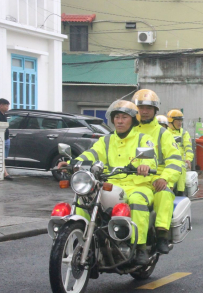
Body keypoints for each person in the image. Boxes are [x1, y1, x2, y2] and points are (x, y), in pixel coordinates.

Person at [58, 101, 157, 265]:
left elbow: (150, 159)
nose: (119, 121)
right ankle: (80, 236)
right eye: (117, 117)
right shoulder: (106, 140)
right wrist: (72, 163)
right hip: (110, 184)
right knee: (85, 198)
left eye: (124, 117)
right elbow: (91, 154)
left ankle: (140, 247)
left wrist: (146, 166)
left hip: (137, 185)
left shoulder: (143, 139)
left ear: (132, 119)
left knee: (137, 201)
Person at [132, 89, 183, 254]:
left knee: (163, 193)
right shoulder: (128, 129)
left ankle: (162, 235)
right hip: (129, 178)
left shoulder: (163, 133)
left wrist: (165, 178)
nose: (144, 111)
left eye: (148, 108)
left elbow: (175, 160)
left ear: (155, 110)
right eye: (141, 108)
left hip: (157, 177)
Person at [166, 109, 194, 195]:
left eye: (181, 120)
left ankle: (180, 192)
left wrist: (188, 159)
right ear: (171, 121)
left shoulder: (184, 133)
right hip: (166, 161)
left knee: (181, 169)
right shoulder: (164, 132)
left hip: (180, 161)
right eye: (177, 120)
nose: (180, 123)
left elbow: (188, 147)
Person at [0, 98, 12, 180]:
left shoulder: (4, 115)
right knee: (1, 156)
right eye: (6, 105)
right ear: (1, 105)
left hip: (6, 138)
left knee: (4, 157)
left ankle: (4, 172)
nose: (8, 107)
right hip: (0, 139)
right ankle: (5, 173)